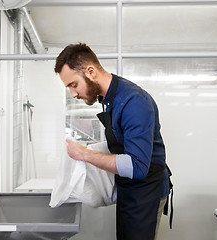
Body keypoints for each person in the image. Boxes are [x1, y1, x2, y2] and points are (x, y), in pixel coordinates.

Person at [54, 43, 172, 240]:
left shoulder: (134, 101)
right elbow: (122, 144)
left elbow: (136, 166)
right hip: (129, 190)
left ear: (90, 71)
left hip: (147, 194)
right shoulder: (108, 98)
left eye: (73, 85)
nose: (73, 94)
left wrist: (85, 154)